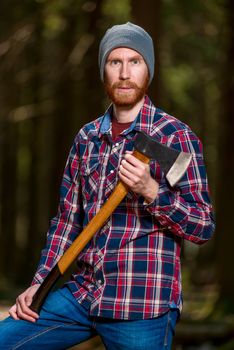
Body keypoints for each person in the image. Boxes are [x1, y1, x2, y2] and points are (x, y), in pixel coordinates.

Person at [0, 22, 215, 349]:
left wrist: (151, 190)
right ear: (104, 70)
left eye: (135, 61)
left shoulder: (175, 137)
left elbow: (203, 226)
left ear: (148, 71)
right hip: (83, 294)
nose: (125, 73)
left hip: (142, 303)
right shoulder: (88, 138)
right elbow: (67, 222)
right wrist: (40, 284)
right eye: (115, 62)